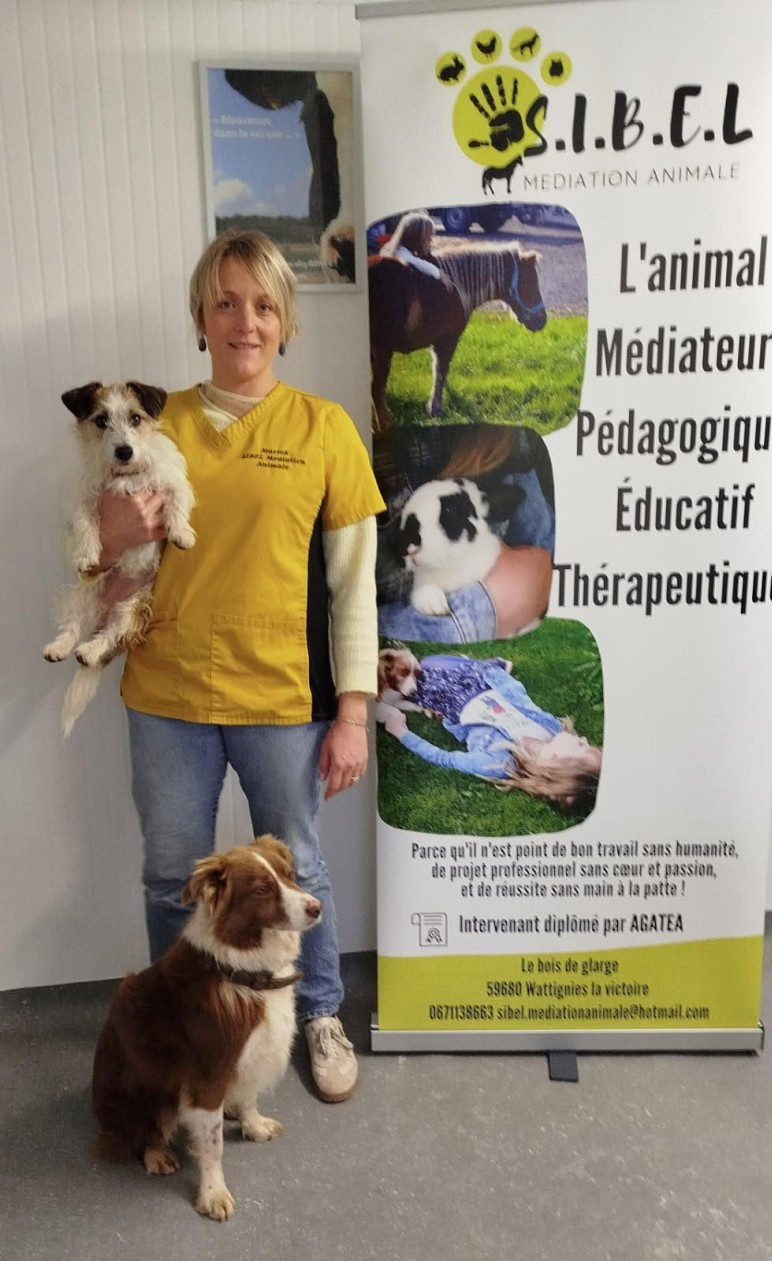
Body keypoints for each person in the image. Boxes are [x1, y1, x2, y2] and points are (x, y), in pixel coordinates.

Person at [87, 229, 385, 1103]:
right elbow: (103, 561)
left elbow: (354, 585)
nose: (243, 322)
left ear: (284, 319)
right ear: (200, 317)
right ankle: (177, 1021)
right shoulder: (153, 425)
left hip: (280, 693)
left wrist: (353, 712)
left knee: (297, 871)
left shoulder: (324, 428)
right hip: (168, 691)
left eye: (261, 304)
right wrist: (110, 531)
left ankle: (318, 1011)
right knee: (170, 873)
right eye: (224, 302)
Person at [375, 425, 555, 642]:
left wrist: (527, 583)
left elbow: (543, 569)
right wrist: (484, 608)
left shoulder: (505, 444)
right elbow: (350, 620)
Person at [377, 651, 602, 814]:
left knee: (421, 673)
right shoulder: (552, 728)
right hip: (484, 682)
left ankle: (473, 665)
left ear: (556, 760)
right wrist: (493, 673)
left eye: (582, 746)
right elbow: (520, 699)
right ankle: (493, 664)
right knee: (431, 663)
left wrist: (401, 733)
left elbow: (445, 759)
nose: (583, 738)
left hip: (455, 703)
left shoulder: (498, 763)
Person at [379, 210, 443, 280]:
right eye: (428, 236)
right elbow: (415, 263)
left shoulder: (394, 248)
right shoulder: (400, 253)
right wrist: (439, 272)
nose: (431, 240)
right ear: (417, 238)